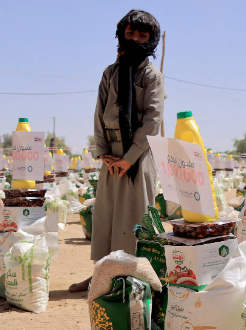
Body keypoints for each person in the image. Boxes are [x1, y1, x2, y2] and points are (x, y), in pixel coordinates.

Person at [69, 9, 165, 292]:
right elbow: (99, 114)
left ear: (150, 40)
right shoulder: (110, 72)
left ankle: (130, 279)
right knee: (107, 216)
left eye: (142, 35)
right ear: (122, 34)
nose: (135, 38)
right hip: (110, 157)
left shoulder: (152, 75)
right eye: (130, 32)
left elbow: (152, 122)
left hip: (138, 157)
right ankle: (101, 274)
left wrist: (128, 159)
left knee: (134, 218)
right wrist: (103, 154)